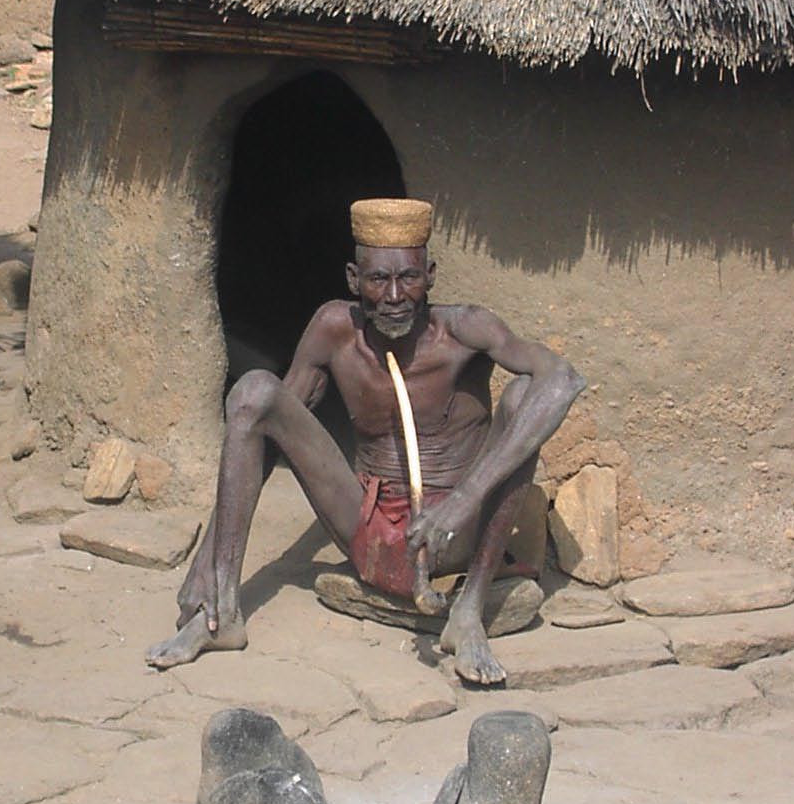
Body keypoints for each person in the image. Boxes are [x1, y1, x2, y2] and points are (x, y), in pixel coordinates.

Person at [147, 198, 585, 685]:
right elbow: (264, 435)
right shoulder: (335, 330)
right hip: (368, 527)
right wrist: (210, 557)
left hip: (452, 536)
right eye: (379, 280)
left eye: (409, 278)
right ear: (355, 280)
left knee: (528, 396)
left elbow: (563, 381)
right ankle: (220, 610)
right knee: (253, 392)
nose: (395, 296)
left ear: (431, 276)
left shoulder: (466, 330)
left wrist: (462, 502)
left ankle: (469, 612)